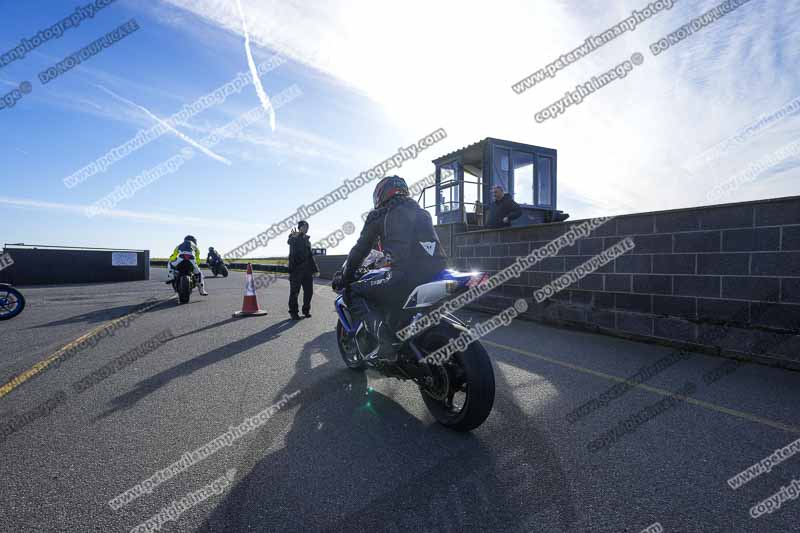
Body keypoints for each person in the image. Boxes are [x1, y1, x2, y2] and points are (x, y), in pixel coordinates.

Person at [337, 175, 447, 362]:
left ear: (380, 195)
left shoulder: (379, 215)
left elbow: (360, 249)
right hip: (438, 272)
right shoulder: (422, 212)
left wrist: (345, 276)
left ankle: (384, 341)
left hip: (404, 275)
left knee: (353, 290)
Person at [287, 221, 319, 320]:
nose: (306, 228)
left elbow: (310, 256)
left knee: (309, 292)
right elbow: (290, 242)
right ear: (300, 228)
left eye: (307, 227)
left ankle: (306, 310)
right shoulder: (294, 238)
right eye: (304, 227)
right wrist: (293, 237)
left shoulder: (307, 240)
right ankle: (293, 312)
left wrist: (315, 270)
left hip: (307, 271)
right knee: (294, 293)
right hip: (296, 271)